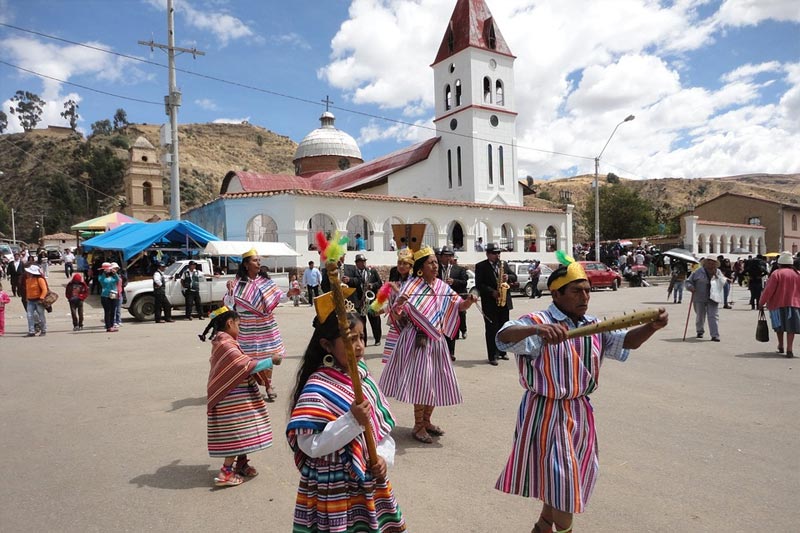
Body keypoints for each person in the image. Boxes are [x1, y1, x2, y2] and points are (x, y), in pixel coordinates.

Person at [494, 256, 668, 533]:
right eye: (577, 291)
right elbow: (503, 336)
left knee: (563, 481)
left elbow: (625, 343)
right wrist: (537, 330)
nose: (585, 296)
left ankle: (541, 527)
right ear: (557, 293)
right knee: (563, 482)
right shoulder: (539, 321)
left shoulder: (594, 325)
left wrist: (651, 327)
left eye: (587, 290)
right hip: (545, 413)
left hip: (579, 413)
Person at [287, 298, 405, 532]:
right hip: (332, 486)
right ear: (327, 345)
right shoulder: (317, 387)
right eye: (351, 340)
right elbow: (310, 445)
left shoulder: (363, 377)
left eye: (362, 337)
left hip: (368, 480)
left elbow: (380, 430)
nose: (360, 345)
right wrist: (350, 421)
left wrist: (382, 457)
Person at [379, 245, 477, 444]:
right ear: (420, 268)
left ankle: (427, 421)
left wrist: (469, 301)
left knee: (435, 381)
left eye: (435, 262)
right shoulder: (411, 286)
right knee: (422, 383)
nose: (435, 266)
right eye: (431, 263)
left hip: (437, 341)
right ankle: (418, 425)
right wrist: (399, 303)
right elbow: (396, 315)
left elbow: (458, 304)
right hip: (417, 340)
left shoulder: (441, 286)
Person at [200, 306, 276, 487]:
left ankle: (241, 463)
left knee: (243, 430)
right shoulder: (226, 344)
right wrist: (270, 360)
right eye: (238, 325)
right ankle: (226, 472)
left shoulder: (223, 341)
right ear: (230, 323)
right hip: (231, 396)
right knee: (236, 433)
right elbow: (243, 365)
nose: (240, 329)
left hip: (236, 394)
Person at [232, 249, 286, 402]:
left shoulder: (266, 282)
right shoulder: (238, 283)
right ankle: (251, 387)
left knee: (269, 356)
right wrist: (230, 293)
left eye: (259, 260)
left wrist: (289, 294)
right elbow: (230, 303)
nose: (259, 263)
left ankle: (269, 385)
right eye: (255, 260)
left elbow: (279, 297)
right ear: (246, 264)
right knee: (249, 358)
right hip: (246, 327)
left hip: (266, 325)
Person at [475, 243, 517, 365]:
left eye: (498, 253)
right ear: (487, 254)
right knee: (491, 329)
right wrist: (491, 292)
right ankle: (492, 355)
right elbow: (479, 285)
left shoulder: (503, 264)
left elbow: (514, 277)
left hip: (504, 302)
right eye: (494, 253)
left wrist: (508, 277)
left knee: (504, 328)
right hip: (490, 303)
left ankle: (503, 352)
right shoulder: (481, 266)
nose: (497, 255)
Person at [759, 252, 800, 358]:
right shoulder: (797, 274)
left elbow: (768, 290)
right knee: (791, 327)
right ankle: (789, 349)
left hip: (777, 304)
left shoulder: (776, 273)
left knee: (779, 326)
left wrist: (761, 302)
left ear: (779, 263)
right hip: (794, 305)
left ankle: (781, 345)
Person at [438, 245, 468, 360]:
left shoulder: (459, 269)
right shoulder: (436, 269)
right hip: (440, 301)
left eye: (450, 256)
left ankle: (451, 351)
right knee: (441, 327)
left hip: (453, 302)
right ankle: (441, 350)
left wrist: (454, 281)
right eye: (445, 256)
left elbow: (464, 282)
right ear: (441, 257)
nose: (448, 258)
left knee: (452, 326)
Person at [685, 257, 727, 341]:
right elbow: (688, 282)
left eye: (713, 263)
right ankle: (700, 331)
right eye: (709, 263)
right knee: (700, 315)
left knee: (713, 316)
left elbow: (724, 283)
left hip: (713, 297)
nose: (711, 264)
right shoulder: (698, 271)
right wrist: (691, 287)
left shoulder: (718, 272)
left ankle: (715, 335)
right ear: (705, 263)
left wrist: (716, 276)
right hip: (699, 296)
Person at [355, 253, 383, 345]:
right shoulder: (354, 273)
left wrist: (372, 285)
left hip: (371, 300)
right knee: (362, 323)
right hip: (361, 301)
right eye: (360, 262)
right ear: (357, 263)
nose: (363, 264)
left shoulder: (372, 271)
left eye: (364, 262)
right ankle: (364, 341)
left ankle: (377, 339)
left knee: (375, 321)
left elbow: (379, 283)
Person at [24, 264, 48, 337]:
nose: (28, 273)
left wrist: (41, 298)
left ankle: (43, 330)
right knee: (29, 316)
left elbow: (44, 290)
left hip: (38, 301)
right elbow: (28, 290)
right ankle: (32, 331)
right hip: (30, 301)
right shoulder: (28, 280)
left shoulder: (40, 279)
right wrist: (27, 298)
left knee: (41, 316)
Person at [99, 262, 121, 333]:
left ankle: (112, 325)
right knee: (107, 311)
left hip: (113, 295)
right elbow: (102, 281)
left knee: (113, 311)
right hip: (105, 296)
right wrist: (104, 272)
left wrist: (114, 273)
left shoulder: (113, 276)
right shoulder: (102, 276)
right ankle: (108, 326)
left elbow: (118, 280)